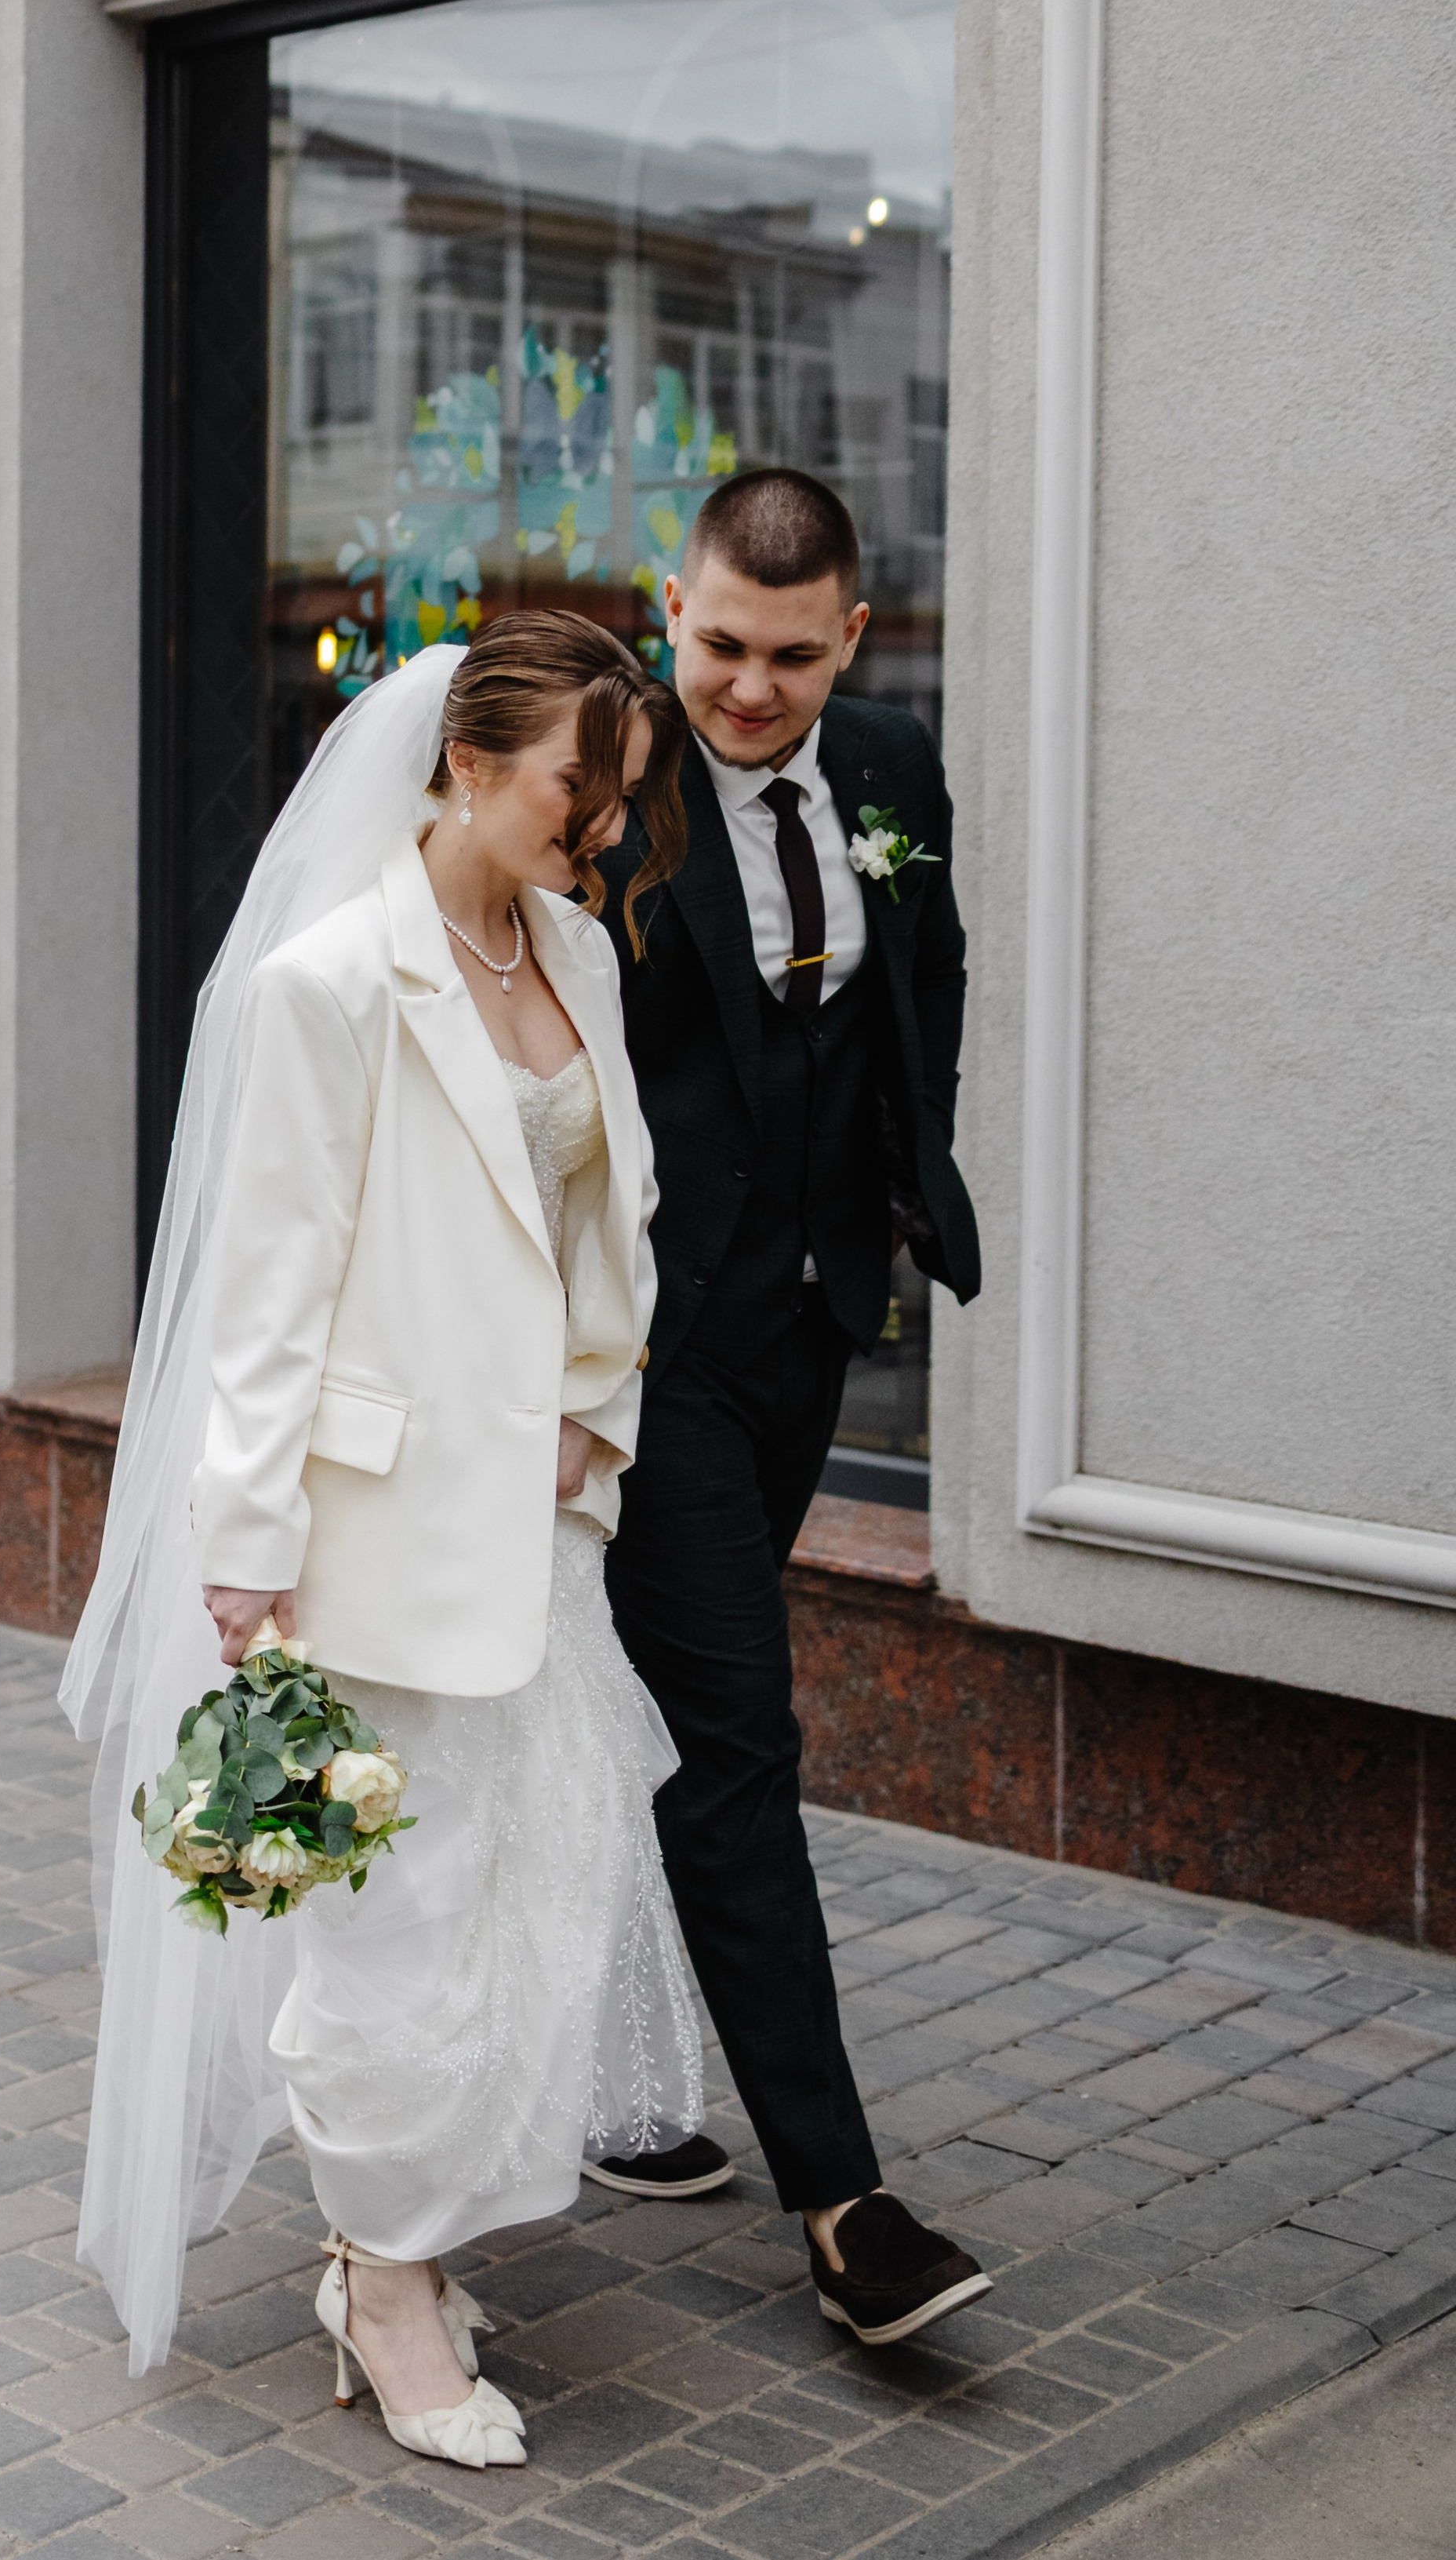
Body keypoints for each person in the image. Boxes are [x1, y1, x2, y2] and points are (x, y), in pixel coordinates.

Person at [62, 614, 703, 2464]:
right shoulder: (328, 985)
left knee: (534, 1898)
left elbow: (608, 1217)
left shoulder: (572, 942)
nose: (603, 828)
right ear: (466, 763)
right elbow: (266, 1299)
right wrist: (243, 1551)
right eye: (581, 790)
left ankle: (413, 2224)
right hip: (370, 1535)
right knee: (394, 1929)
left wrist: (601, 1407)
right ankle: (383, 2276)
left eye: (619, 795)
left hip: (545, 1523)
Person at [589, 467, 993, 2350]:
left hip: (815, 1318)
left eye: (785, 656)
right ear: (672, 613)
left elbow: (930, 955)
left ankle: (615, 2060)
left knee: (666, 1720)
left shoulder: (891, 755)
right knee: (741, 1737)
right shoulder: (606, 775)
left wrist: (912, 1163)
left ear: (850, 633)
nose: (745, 691)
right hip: (645, 1349)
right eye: (716, 647)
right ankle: (842, 2201)